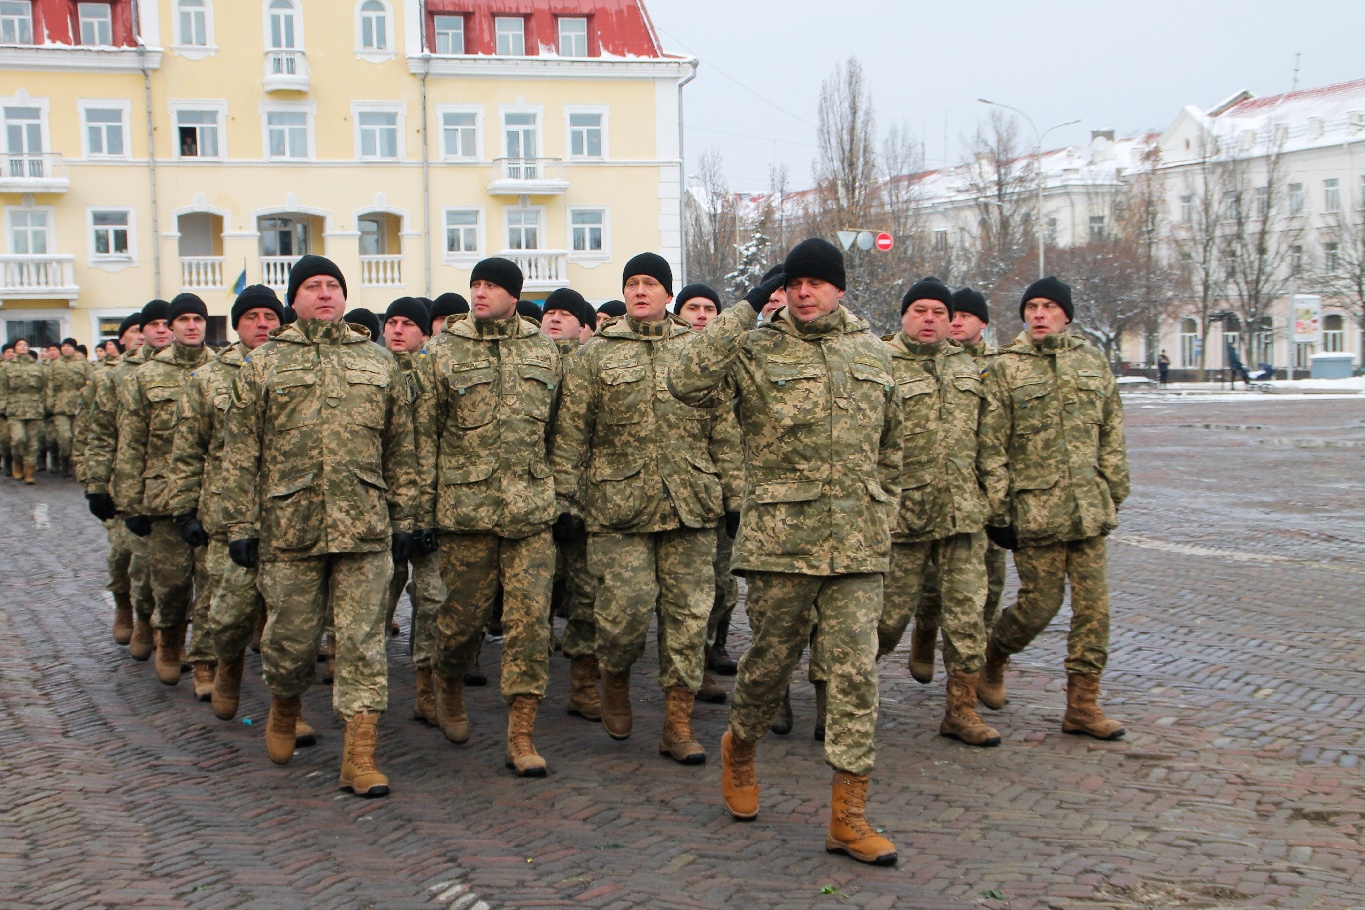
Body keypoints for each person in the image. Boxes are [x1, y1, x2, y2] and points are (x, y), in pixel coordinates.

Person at [668, 237, 902, 865]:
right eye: (794, 282)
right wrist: (746, 308)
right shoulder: (754, 348)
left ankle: (848, 817)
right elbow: (684, 379)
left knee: (856, 674)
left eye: (816, 282)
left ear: (839, 288)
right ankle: (740, 746)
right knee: (770, 666)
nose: (803, 292)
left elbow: (893, 446)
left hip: (857, 546)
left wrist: (883, 511)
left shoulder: (872, 353)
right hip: (781, 544)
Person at [219, 254, 426, 797]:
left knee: (363, 642)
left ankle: (361, 756)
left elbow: (402, 449)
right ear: (294, 300)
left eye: (333, 285)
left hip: (364, 527)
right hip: (290, 528)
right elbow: (239, 453)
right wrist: (240, 525)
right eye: (313, 286)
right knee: (290, 642)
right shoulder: (263, 365)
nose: (326, 294)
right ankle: (285, 706)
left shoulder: (378, 363)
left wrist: (407, 518)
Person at [552, 253, 740, 766]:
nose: (639, 291)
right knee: (624, 614)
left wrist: (735, 496)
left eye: (650, 283)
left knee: (689, 619)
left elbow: (723, 428)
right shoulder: (597, 353)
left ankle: (677, 724)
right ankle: (614, 679)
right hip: (618, 508)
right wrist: (566, 500)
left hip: (691, 504)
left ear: (667, 294)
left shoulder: (698, 350)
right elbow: (571, 433)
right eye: (631, 283)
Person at [423, 260, 561, 775]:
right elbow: (424, 435)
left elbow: (557, 430)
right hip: (467, 512)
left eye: (492, 286)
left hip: (531, 512)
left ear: (515, 296)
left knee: (530, 625)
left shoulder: (543, 350)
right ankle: (448, 680)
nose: (480, 293)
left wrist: (559, 496)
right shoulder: (442, 351)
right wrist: (421, 510)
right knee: (462, 621)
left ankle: (521, 735)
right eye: (476, 284)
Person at [978, 276, 1130, 740]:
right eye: (1032, 307)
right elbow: (992, 445)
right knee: (1039, 606)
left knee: (1094, 611)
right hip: (1035, 513)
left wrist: (1113, 487)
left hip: (1088, 510)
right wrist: (999, 510)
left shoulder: (1091, 361)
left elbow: (1111, 429)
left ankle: (1082, 706)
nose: (1039, 314)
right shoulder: (1006, 368)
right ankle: (994, 654)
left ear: (1066, 315)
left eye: (1048, 307)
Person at [167, 287, 307, 736]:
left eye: (270, 316)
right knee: (226, 609)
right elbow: (187, 451)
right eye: (251, 317)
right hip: (227, 513)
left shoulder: (300, 370)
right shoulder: (208, 379)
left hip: (289, 514)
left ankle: (287, 707)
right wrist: (184, 510)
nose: (262, 324)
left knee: (289, 618)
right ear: (236, 325)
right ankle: (220, 663)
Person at [874, 278, 1001, 748]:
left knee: (968, 618)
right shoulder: (880, 364)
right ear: (904, 316)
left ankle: (961, 711)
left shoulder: (970, 368)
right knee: (886, 620)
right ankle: (843, 693)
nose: (929, 319)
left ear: (951, 321)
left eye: (939, 313)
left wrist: (995, 501)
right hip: (901, 519)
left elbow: (990, 441)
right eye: (920, 310)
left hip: (962, 517)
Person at [116, 293, 216, 689]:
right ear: (170, 326)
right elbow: (131, 443)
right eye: (184, 319)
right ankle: (170, 643)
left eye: (198, 319)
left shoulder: (223, 371)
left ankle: (205, 662)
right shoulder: (146, 376)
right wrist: (130, 504)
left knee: (212, 586)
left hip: (212, 497)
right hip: (162, 500)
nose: (192, 326)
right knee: (172, 585)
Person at [910, 287, 1007, 684]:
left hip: (974, 502)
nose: (955, 322)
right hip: (920, 502)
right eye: (955, 315)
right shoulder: (907, 361)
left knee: (982, 594)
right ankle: (924, 634)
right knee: (926, 590)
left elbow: (997, 436)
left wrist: (997, 500)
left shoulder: (991, 368)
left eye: (964, 315)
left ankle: (972, 685)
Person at [379, 296, 446, 725]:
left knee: (433, 598)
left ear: (424, 333)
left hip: (431, 506)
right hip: (377, 508)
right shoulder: (370, 373)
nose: (398, 330)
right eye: (392, 322)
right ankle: (356, 680)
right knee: (375, 600)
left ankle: (427, 686)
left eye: (408, 323)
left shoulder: (436, 375)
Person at [673, 282, 738, 706]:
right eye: (692, 307)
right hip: (672, 491)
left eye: (709, 308)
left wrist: (736, 494)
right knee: (686, 591)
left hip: (718, 489)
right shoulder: (673, 358)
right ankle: (687, 668)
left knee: (720, 585)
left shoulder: (733, 359)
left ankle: (706, 655)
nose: (701, 314)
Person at [540, 287, 604, 722]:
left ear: (584, 326)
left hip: (586, 501)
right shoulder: (526, 362)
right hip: (533, 499)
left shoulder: (594, 365)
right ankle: (530, 680)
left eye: (566, 313)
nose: (555, 319)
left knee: (587, 597)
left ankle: (583, 685)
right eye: (550, 312)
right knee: (536, 595)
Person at [84, 306, 163, 655]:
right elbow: (96, 434)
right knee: (122, 556)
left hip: (167, 485)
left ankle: (156, 626)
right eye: (145, 328)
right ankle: (125, 607)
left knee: (161, 565)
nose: (159, 331)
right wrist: (95, 484)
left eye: (166, 324)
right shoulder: (113, 377)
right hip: (124, 483)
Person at [1, 339, 46, 484]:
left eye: (25, 345)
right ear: (15, 349)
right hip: (15, 408)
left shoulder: (37, 367)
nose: (22, 347)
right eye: (19, 345)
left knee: (33, 442)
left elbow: (44, 387)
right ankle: (18, 462)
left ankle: (29, 471)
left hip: (34, 408)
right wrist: (2, 407)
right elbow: (2, 389)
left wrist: (45, 405)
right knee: (17, 439)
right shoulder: (7, 367)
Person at [45, 338, 89, 478]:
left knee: (77, 438)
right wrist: (49, 403)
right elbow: (49, 385)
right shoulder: (55, 365)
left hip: (78, 405)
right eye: (63, 346)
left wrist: (88, 401)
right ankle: (64, 459)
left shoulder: (82, 364)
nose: (65, 348)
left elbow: (90, 383)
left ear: (74, 349)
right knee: (64, 436)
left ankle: (74, 465)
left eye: (68, 346)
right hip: (60, 406)